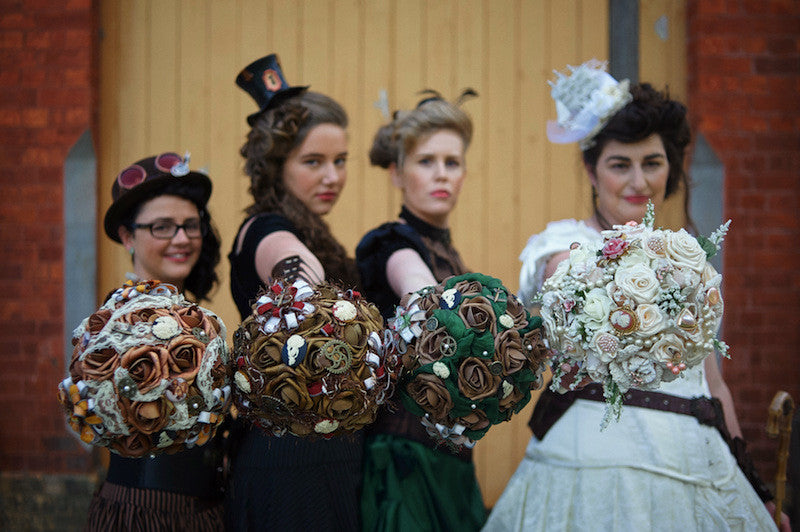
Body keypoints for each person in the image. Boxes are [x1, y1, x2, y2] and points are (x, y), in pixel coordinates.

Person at [484, 61, 787, 531]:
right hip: (591, 456)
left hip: (691, 457)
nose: (638, 182)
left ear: (671, 167)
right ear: (591, 170)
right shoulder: (562, 246)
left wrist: (756, 488)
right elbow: (570, 280)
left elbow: (714, 385)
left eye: (652, 163)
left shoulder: (690, 257)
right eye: (619, 165)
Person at [226, 53, 362, 531]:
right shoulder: (264, 228)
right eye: (314, 162)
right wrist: (304, 285)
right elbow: (291, 264)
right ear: (277, 164)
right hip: (287, 461)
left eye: (340, 160)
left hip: (327, 454)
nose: (332, 177)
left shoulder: (317, 229)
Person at [356, 90, 487, 531]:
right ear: (396, 173)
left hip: (452, 462)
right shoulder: (390, 243)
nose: (441, 174)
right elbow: (423, 297)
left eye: (452, 163)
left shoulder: (452, 255)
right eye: (426, 161)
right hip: (403, 460)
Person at [86, 151, 224, 531]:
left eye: (190, 226)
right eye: (162, 227)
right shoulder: (117, 327)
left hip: (205, 513)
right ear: (128, 236)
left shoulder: (196, 317)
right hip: (145, 514)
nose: (181, 239)